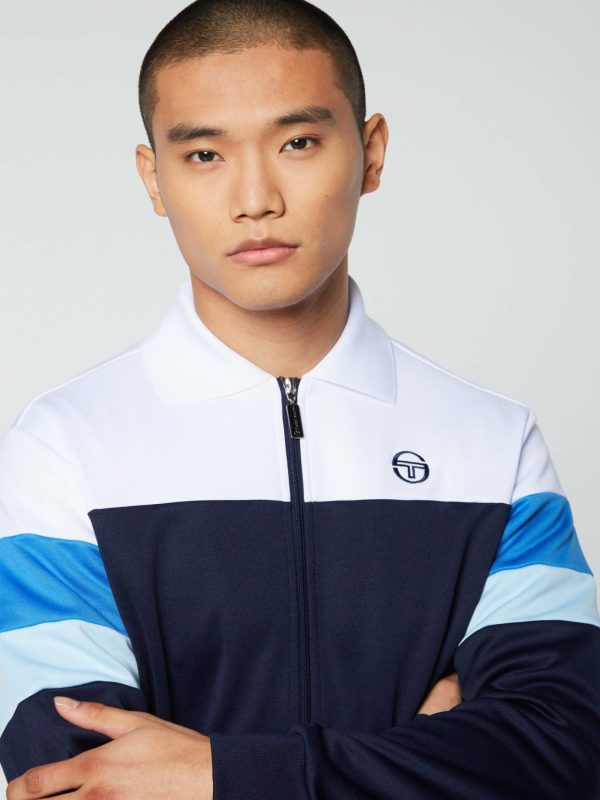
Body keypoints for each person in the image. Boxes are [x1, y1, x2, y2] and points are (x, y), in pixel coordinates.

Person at [1, 0, 599, 797]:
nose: (255, 198)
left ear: (371, 153)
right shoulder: (65, 446)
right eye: (204, 154)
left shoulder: (494, 444)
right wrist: (425, 761)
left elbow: (566, 748)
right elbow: (70, 778)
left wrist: (220, 774)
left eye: (298, 143)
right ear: (154, 178)